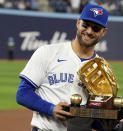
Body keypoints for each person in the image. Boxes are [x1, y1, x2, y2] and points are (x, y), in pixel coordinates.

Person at [16, 3, 108, 131]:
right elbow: (22, 93)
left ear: (103, 32)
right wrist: (51, 109)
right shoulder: (48, 52)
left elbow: (96, 122)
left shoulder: (101, 70)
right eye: (85, 25)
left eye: (96, 28)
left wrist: (111, 117)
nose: (89, 31)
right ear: (77, 23)